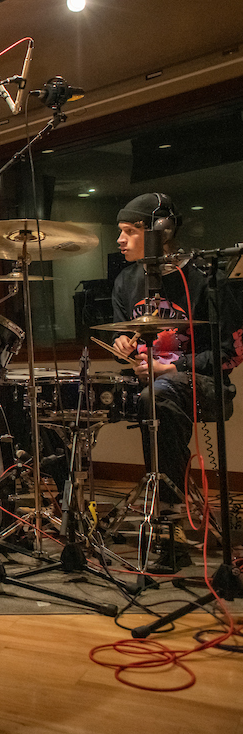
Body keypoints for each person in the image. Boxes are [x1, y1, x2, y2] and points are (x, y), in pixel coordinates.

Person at [111, 192, 241, 569]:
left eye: (130, 231)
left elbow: (230, 352)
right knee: (66, 399)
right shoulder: (125, 281)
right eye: (119, 232)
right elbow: (129, 340)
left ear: (160, 231)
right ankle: (71, 520)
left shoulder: (205, 279)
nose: (120, 240)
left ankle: (169, 519)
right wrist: (124, 348)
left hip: (203, 385)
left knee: (159, 395)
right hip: (150, 386)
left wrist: (174, 367)